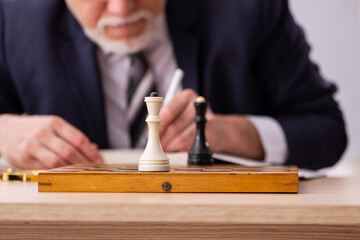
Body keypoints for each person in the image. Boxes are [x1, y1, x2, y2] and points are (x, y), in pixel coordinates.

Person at [0, 0, 347, 170]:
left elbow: (327, 130)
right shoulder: (13, 16)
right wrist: (4, 132)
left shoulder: (248, 8)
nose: (121, 9)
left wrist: (228, 134)